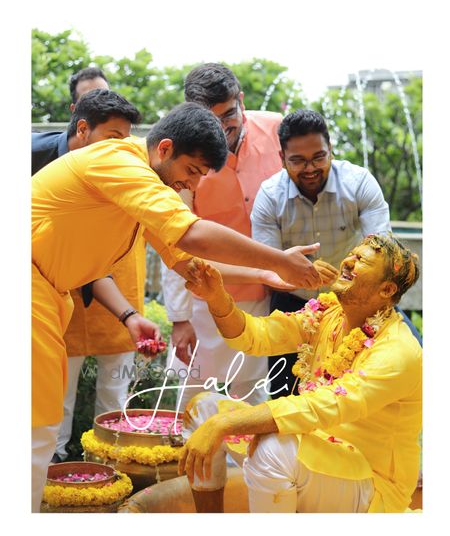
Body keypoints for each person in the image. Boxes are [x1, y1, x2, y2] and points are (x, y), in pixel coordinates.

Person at [32, 101, 322, 512]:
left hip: (46, 295)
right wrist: (278, 260)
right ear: (165, 148)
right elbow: (191, 235)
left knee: (35, 428)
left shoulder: (145, 183)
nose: (192, 185)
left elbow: (187, 261)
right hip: (28, 287)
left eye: (200, 177)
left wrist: (263, 274)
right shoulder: (121, 162)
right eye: (191, 171)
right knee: (35, 430)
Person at [178, 233, 422, 513]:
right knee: (203, 409)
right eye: (352, 254)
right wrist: (216, 298)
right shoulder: (327, 315)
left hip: (371, 485)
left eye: (362, 260)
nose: (348, 262)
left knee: (272, 449)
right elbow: (256, 336)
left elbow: (324, 405)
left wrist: (225, 424)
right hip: (311, 456)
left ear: (387, 290)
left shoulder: (398, 350)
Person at [250, 108, 420, 397]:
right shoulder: (269, 196)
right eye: (298, 161)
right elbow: (268, 268)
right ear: (282, 158)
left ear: (330, 149)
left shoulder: (359, 182)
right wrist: (298, 273)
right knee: (284, 396)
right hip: (294, 300)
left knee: (416, 357)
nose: (310, 168)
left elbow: (383, 250)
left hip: (359, 301)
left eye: (318, 157)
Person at [33, 88, 161, 464]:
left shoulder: (125, 171)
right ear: (82, 127)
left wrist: (129, 315)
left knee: (110, 396)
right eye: (113, 138)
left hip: (98, 284)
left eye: (126, 140)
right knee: (45, 406)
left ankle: (104, 469)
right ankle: (51, 466)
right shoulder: (32, 155)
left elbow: (92, 261)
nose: (121, 149)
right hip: (40, 290)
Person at [161, 63, 283, 409]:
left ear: (241, 101)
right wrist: (180, 318)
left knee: (253, 398)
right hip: (205, 294)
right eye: (210, 119)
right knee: (193, 398)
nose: (222, 126)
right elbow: (173, 236)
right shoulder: (183, 154)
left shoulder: (277, 130)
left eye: (229, 114)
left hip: (265, 295)